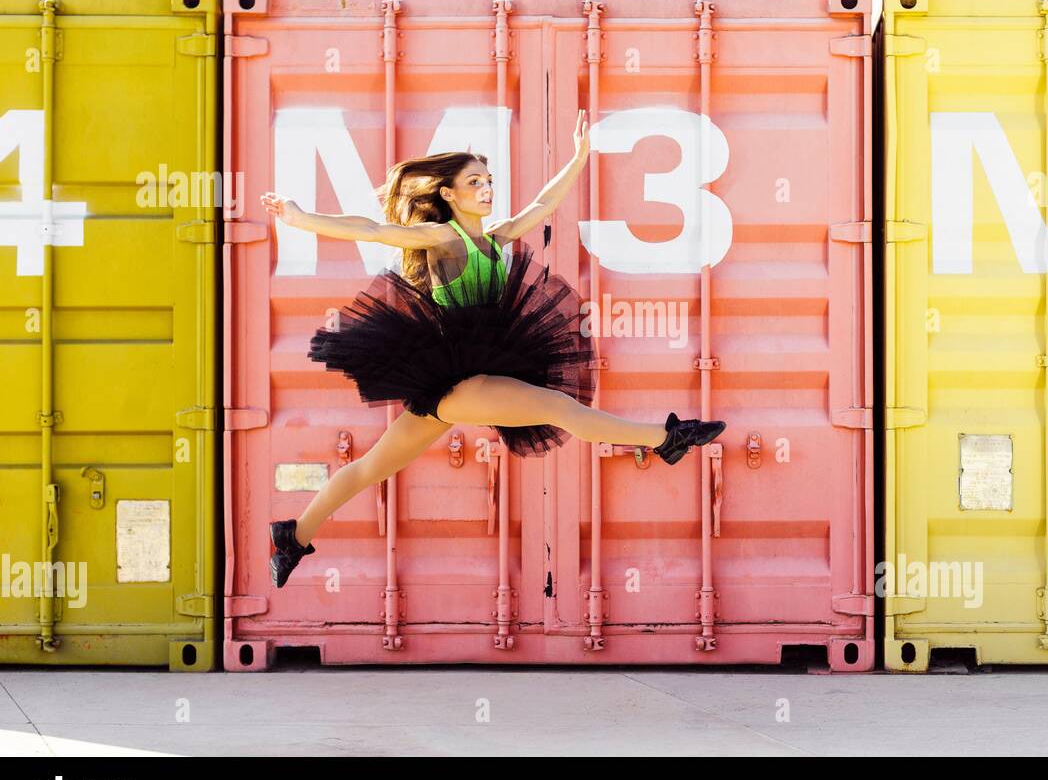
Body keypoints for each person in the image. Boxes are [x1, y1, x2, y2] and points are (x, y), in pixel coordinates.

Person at [261, 111, 726, 587]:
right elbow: (372, 230)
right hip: (455, 375)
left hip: (470, 373)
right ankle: (668, 437)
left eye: (488, 181)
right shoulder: (443, 237)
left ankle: (292, 535)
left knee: (369, 468)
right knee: (555, 406)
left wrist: (579, 158)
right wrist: (300, 217)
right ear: (448, 194)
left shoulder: (494, 238)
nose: (486, 189)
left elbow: (543, 205)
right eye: (474, 182)